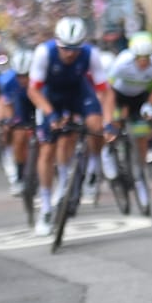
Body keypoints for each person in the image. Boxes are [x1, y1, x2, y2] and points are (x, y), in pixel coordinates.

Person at [26, 17, 114, 236]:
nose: (70, 54)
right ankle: (46, 207)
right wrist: (51, 114)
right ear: (57, 43)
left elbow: (105, 90)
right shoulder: (44, 53)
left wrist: (109, 122)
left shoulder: (90, 54)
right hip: (50, 98)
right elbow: (33, 91)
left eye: (75, 49)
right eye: (65, 48)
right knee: (47, 150)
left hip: (78, 93)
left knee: (96, 124)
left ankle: (93, 167)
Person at [104, 34, 152, 205]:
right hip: (118, 96)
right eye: (139, 59)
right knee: (113, 126)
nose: (143, 62)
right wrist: (110, 119)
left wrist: (149, 105)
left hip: (140, 98)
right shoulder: (122, 63)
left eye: (146, 59)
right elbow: (108, 91)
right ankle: (109, 154)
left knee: (141, 135)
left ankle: (139, 172)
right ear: (134, 56)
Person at [0, 48, 36, 196]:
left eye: (26, 76)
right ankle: (18, 176)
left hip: (39, 103)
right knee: (18, 136)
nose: (23, 79)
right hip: (20, 105)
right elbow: (6, 104)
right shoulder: (7, 81)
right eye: (19, 76)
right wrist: (7, 122)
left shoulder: (42, 78)